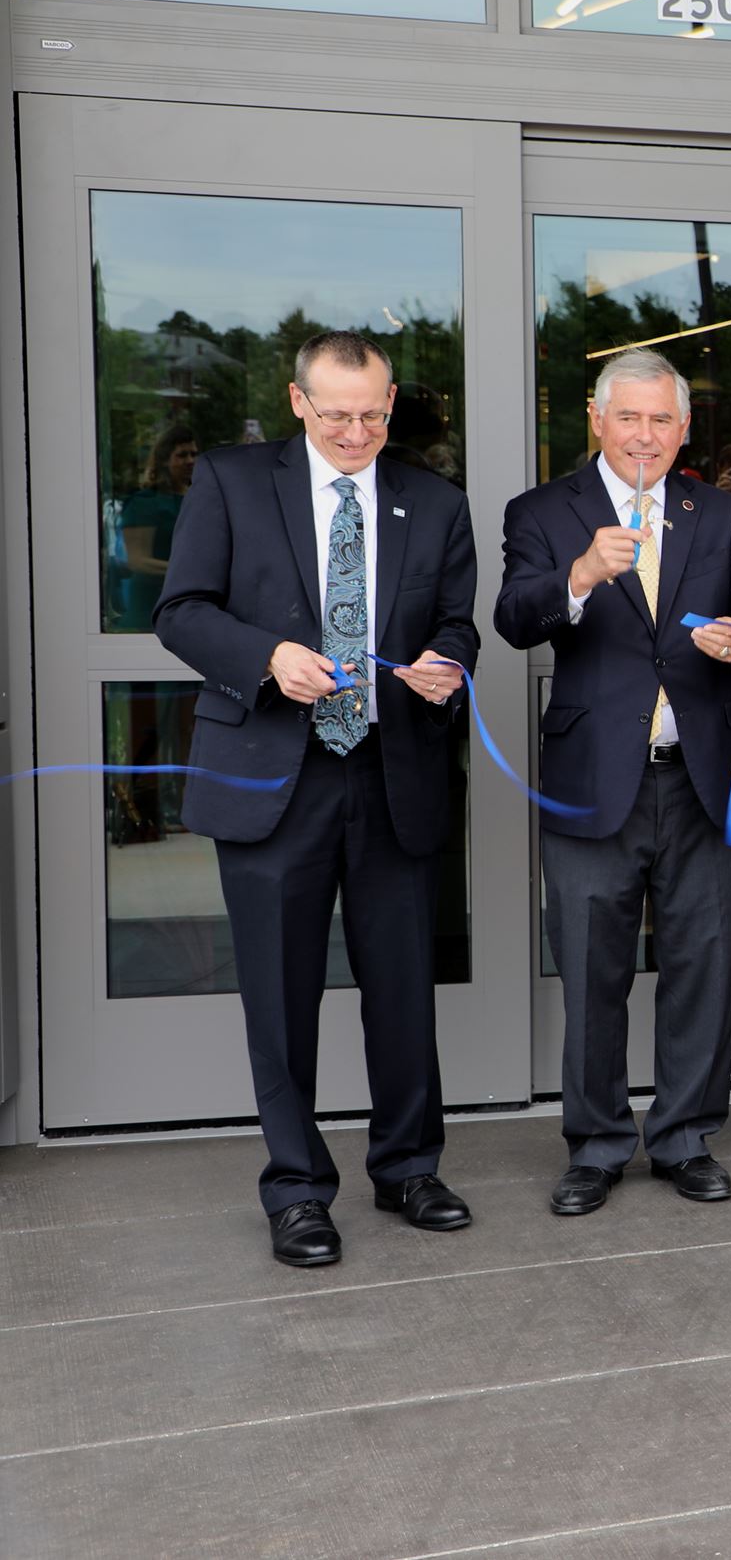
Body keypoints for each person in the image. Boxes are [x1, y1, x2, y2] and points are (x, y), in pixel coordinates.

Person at [152, 331, 479, 1268]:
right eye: (336, 413)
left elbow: (456, 622)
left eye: (373, 414)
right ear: (298, 402)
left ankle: (410, 1165)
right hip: (271, 774)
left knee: (404, 990)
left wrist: (445, 665)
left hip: (393, 772)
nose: (355, 431)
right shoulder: (229, 481)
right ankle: (296, 1188)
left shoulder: (435, 499)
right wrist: (265, 657)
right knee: (283, 997)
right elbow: (181, 610)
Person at [496, 348, 731, 1216]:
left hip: (697, 774)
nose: (646, 436)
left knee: (702, 961)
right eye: (630, 418)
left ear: (684, 427)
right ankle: (594, 1143)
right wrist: (579, 575)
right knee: (591, 969)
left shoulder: (721, 510)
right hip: (592, 779)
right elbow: (513, 617)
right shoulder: (544, 511)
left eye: (663, 420)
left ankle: (687, 1136)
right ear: (596, 417)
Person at [116, 422, 199, 628]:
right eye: (181, 455)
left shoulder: (198, 499)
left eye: (193, 454)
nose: (190, 461)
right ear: (163, 460)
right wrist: (190, 573)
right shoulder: (145, 503)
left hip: (191, 608)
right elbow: (137, 560)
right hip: (150, 610)